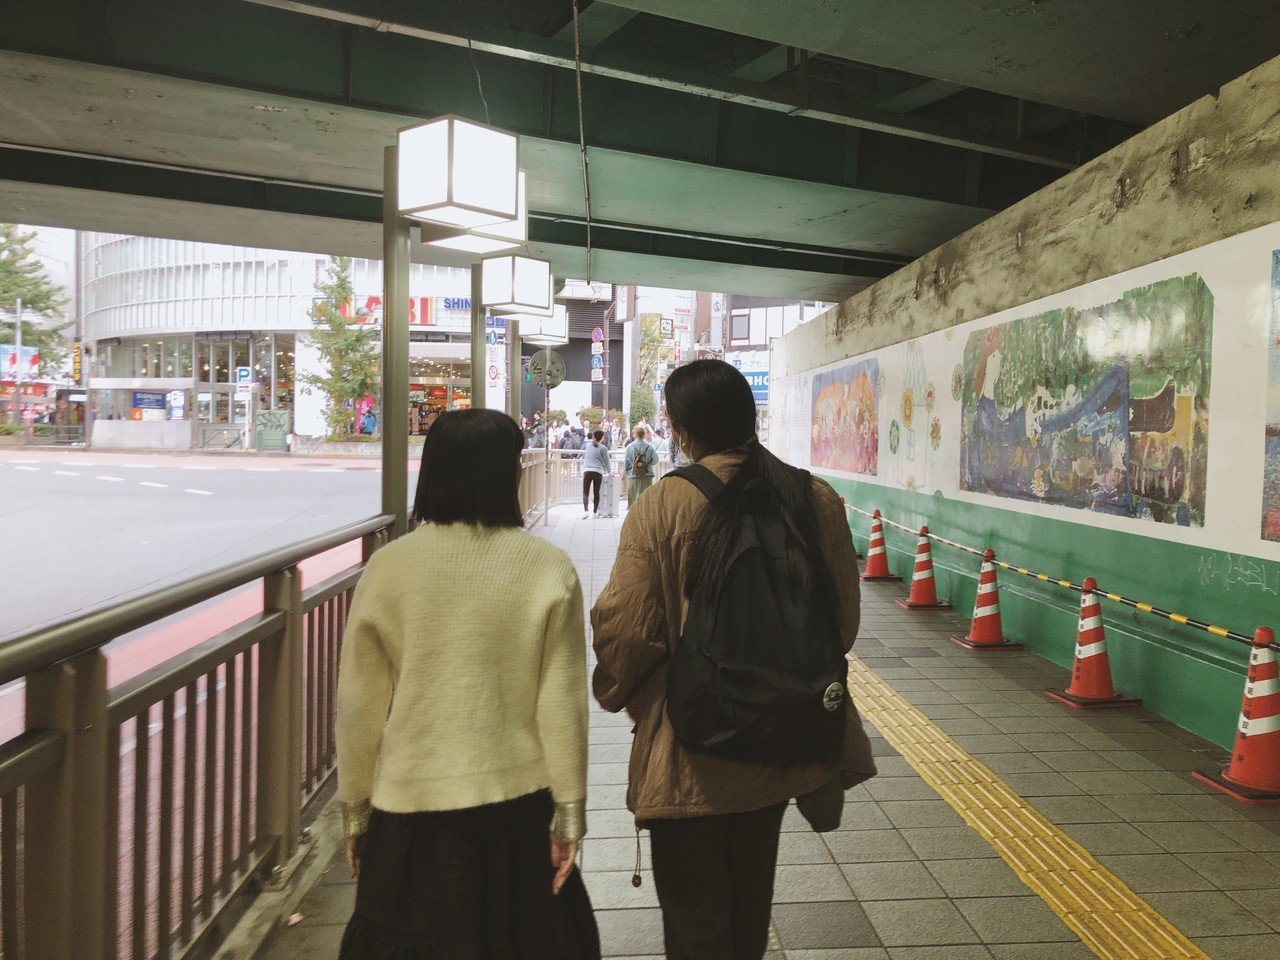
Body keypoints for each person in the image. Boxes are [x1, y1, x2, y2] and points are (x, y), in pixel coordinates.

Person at [590, 360, 873, 960]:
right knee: (749, 914)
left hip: (693, 746)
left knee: (695, 924)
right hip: (779, 741)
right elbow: (841, 626)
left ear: (682, 430)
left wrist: (619, 690)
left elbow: (627, 630)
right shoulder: (813, 497)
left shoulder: (664, 505)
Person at [336, 408, 597, 958]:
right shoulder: (548, 568)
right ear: (508, 473)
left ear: (432, 471)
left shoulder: (389, 568)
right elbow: (563, 700)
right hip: (518, 808)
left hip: (410, 806)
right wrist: (570, 809)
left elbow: (359, 702)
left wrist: (356, 806)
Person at [623, 426, 656, 504]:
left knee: (633, 500)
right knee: (646, 499)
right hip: (647, 475)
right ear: (644, 434)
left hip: (633, 475)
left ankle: (634, 515)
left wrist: (625, 473)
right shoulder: (649, 447)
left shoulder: (630, 447)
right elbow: (655, 460)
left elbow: (626, 462)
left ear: (634, 434)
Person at [582, 429, 610, 519]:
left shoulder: (588, 445)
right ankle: (594, 513)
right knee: (596, 492)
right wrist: (609, 471)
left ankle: (586, 512)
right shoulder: (603, 448)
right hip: (598, 471)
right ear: (601, 437)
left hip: (587, 470)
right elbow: (606, 461)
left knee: (585, 492)